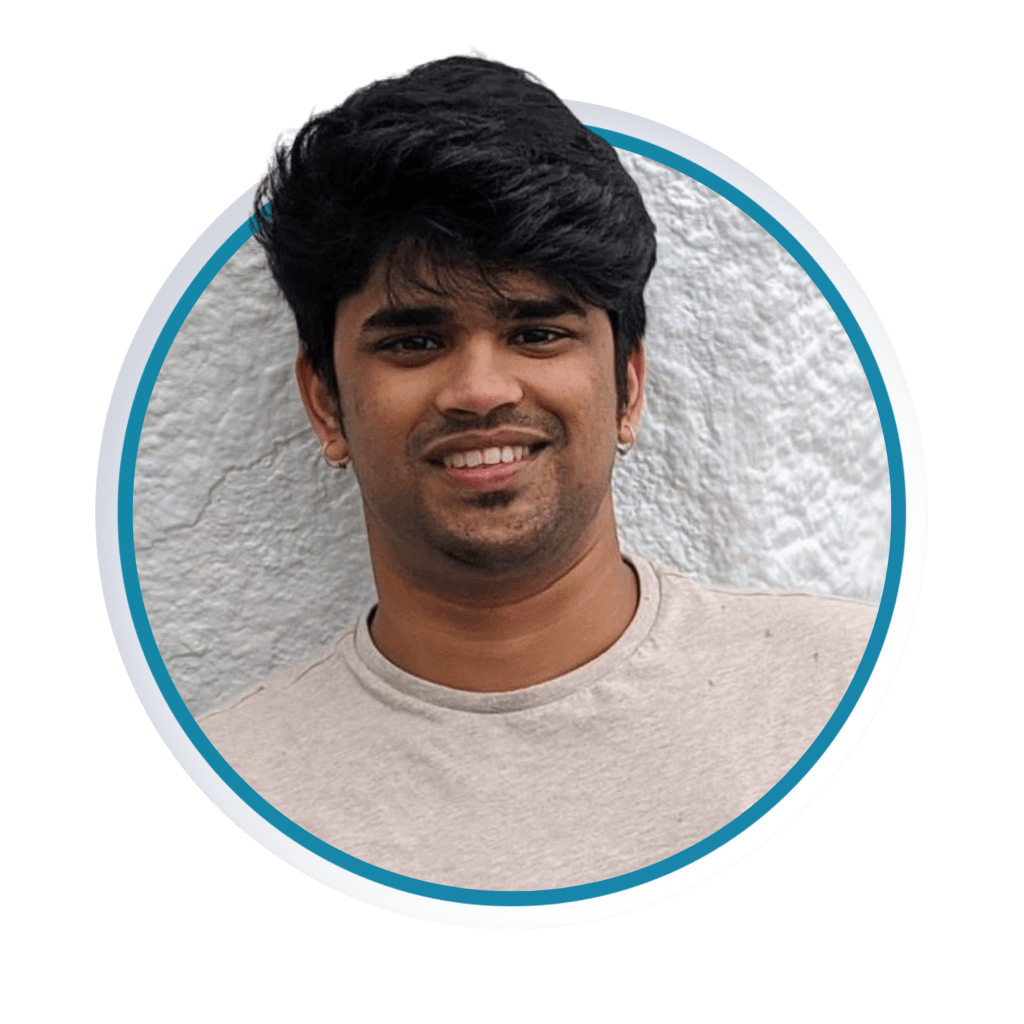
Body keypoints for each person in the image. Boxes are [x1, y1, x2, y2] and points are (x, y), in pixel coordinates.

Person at [199, 50, 876, 891]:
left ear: (628, 385)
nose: (481, 391)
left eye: (537, 333)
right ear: (327, 404)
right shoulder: (227, 787)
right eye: (415, 341)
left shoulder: (851, 695)